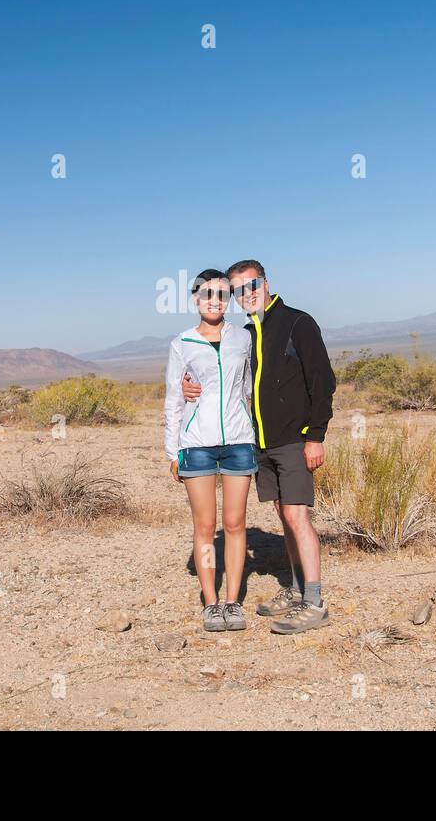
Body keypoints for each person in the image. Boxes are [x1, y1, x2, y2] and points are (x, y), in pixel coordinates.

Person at [183, 260, 336, 634]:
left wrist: (315, 435)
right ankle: (297, 589)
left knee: (298, 517)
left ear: (266, 282)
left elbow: (323, 380)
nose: (246, 293)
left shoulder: (298, 323)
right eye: (237, 290)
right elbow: (226, 373)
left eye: (251, 284)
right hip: (262, 444)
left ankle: (314, 604)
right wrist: (191, 384)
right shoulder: (250, 334)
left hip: (295, 441)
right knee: (285, 517)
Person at [163, 269, 258, 632]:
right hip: (196, 446)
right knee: (206, 525)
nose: (215, 301)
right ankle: (211, 602)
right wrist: (172, 451)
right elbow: (174, 398)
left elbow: (247, 389)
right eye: (207, 295)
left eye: (222, 295)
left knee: (234, 524)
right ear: (196, 299)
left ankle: (233, 601)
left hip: (237, 441)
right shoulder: (182, 343)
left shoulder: (243, 339)